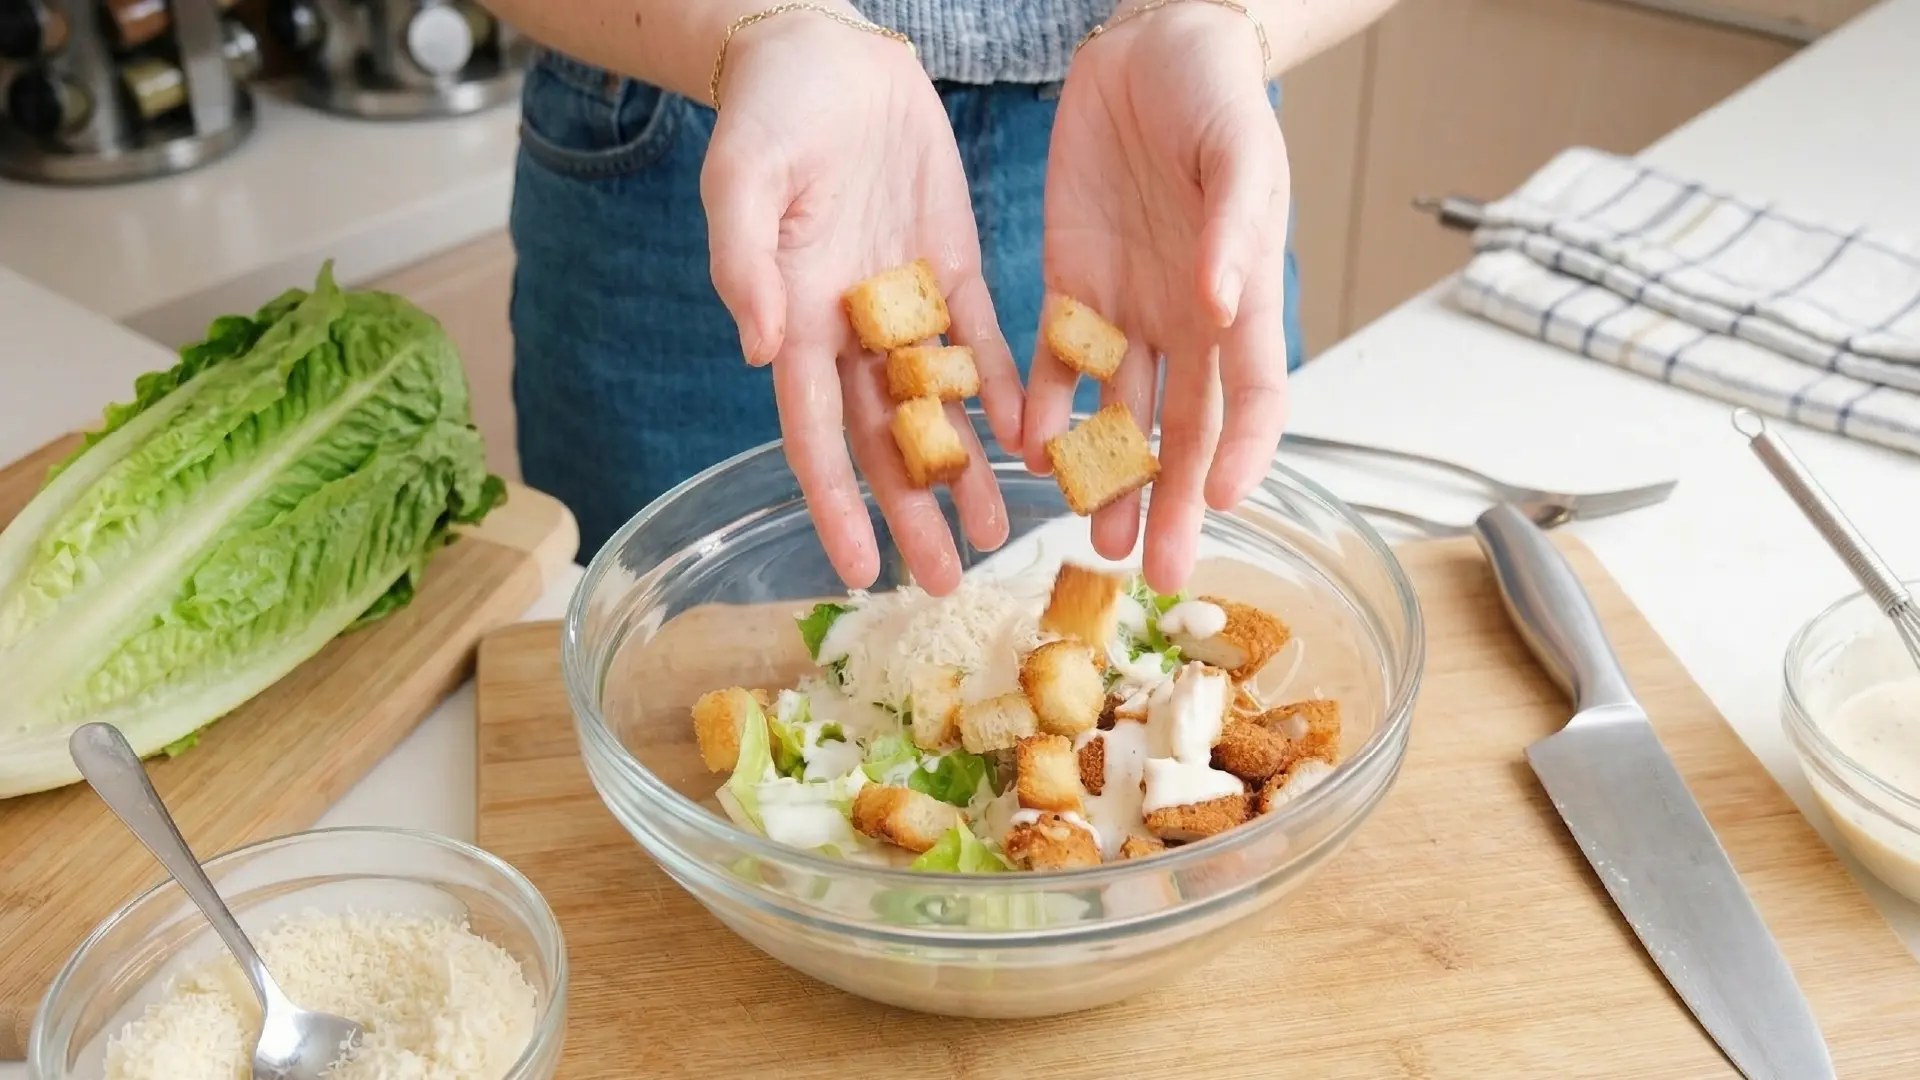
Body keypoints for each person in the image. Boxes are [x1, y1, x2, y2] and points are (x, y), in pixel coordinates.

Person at [483, 0, 1399, 596]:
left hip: (1160, 157)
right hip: (705, 115)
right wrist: (758, 23)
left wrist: (1215, 18)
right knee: (685, 689)